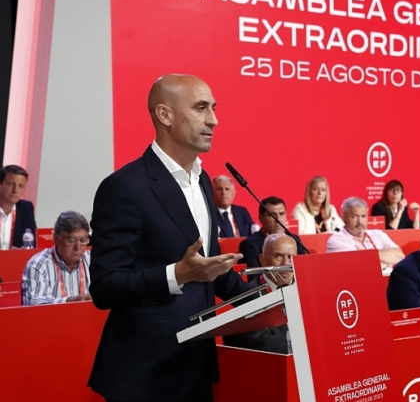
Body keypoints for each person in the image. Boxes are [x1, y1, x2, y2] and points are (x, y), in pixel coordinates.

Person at [88, 74, 254, 402]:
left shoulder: (203, 180)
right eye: (201, 108)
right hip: (145, 375)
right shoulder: (124, 187)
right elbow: (105, 287)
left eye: (214, 108)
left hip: (196, 366)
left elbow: (207, 268)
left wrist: (269, 294)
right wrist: (177, 274)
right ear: (165, 115)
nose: (214, 120)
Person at [225, 233, 295, 354]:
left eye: (290, 257)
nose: (286, 263)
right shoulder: (248, 295)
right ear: (262, 260)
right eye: (278, 256)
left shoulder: (305, 291)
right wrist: (305, 345)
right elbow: (259, 342)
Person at [22, 211, 91, 305]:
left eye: (83, 240)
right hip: (51, 318)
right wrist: (68, 301)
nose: (78, 247)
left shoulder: (92, 261)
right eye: (71, 240)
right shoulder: (38, 264)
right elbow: (32, 302)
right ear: (56, 239)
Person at [326, 197, 405, 270]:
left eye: (363, 216)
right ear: (343, 218)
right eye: (354, 217)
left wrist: (366, 254)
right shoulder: (336, 240)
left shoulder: (378, 234)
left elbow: (400, 256)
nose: (360, 221)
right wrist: (387, 261)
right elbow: (359, 267)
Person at [238, 196, 306, 274]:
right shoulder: (250, 245)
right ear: (261, 218)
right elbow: (253, 278)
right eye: (272, 215)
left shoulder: (295, 240)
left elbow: (302, 271)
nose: (278, 219)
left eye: (281, 214)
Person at [0, 165, 37, 249]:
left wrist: (26, 249)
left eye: (20, 186)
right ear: (1, 183)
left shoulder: (26, 208)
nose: (15, 190)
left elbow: (34, 241)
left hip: (14, 260)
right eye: (11, 184)